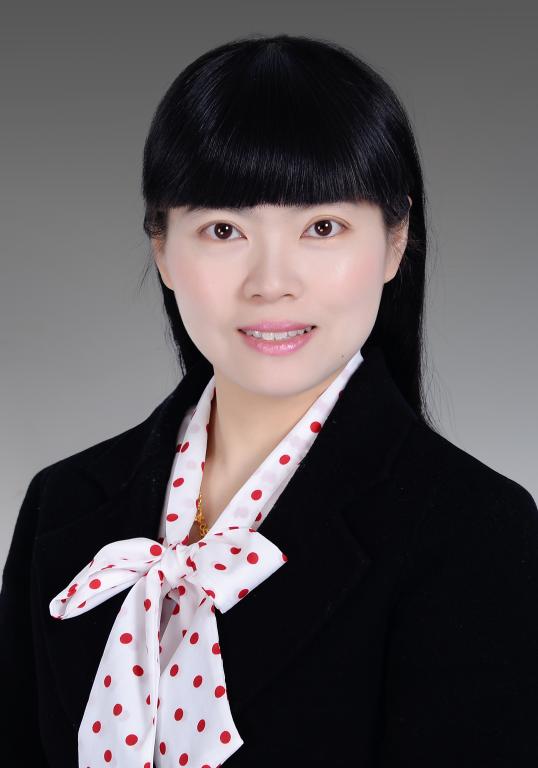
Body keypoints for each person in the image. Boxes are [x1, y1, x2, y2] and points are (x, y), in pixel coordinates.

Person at [2, 32, 537, 768]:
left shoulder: (476, 533)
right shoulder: (60, 505)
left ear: (395, 241)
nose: (271, 283)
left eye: (323, 227)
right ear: (161, 247)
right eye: (223, 229)